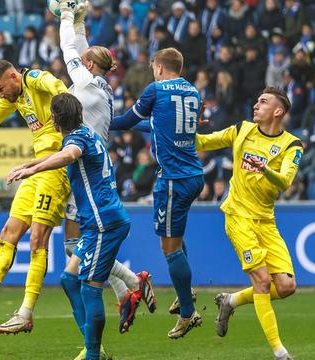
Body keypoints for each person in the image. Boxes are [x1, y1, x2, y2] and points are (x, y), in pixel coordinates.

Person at [58, 0, 155, 337]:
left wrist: (67, 16)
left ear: (88, 65)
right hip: (95, 165)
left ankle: (131, 282)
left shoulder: (84, 84)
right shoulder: (99, 84)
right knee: (80, 250)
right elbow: (82, 48)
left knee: (76, 250)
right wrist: (82, 20)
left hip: (84, 167)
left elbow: (68, 46)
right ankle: (126, 290)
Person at [7, 93, 130, 360]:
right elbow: (62, 153)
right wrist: (30, 164)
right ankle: (93, 344)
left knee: (90, 286)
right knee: (69, 279)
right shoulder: (86, 132)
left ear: (54, 118)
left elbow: (68, 155)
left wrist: (32, 171)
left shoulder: (76, 141)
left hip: (102, 223)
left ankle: (94, 354)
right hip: (100, 220)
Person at [0, 59, 71, 334]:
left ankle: (25, 312)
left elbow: (57, 86)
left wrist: (65, 113)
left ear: (12, 76)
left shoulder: (33, 80)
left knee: (37, 238)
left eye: (0, 89)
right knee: (9, 231)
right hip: (36, 167)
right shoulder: (14, 98)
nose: (1, 95)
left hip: (56, 166)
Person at [196, 87, 301, 360]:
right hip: (238, 216)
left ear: (278, 111)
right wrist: (183, 130)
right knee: (263, 281)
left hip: (266, 220)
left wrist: (265, 169)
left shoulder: (292, 145)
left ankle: (230, 300)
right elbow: (204, 142)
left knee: (287, 286)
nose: (256, 105)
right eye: (256, 101)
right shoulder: (242, 129)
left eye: (263, 102)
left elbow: (286, 181)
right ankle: (280, 352)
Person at [110, 47, 204, 339]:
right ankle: (186, 291)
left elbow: (126, 121)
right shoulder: (192, 91)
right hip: (193, 175)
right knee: (175, 240)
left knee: (169, 248)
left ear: (160, 68)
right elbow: (155, 125)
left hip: (174, 179)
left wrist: (99, 122)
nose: (153, 72)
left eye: (153, 68)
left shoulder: (156, 89)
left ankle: (188, 313)